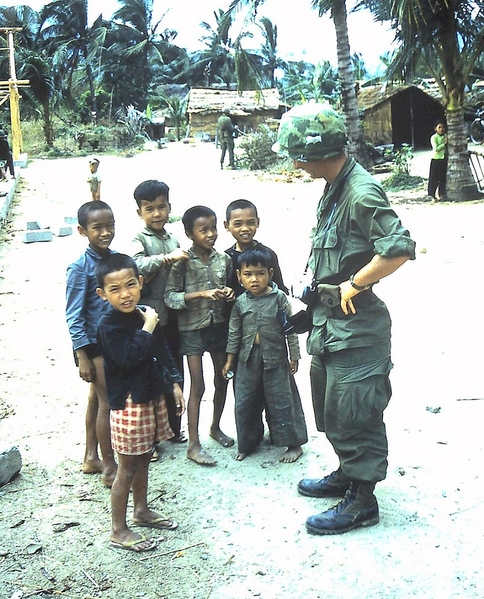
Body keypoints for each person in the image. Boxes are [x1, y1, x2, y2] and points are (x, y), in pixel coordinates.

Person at [273, 103, 416, 535]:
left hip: (358, 329)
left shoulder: (361, 191)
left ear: (316, 152)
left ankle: (363, 500)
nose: (295, 162)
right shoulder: (334, 186)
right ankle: (347, 472)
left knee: (356, 413)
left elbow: (398, 249)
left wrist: (355, 284)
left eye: (298, 154)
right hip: (330, 324)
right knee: (331, 409)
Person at [95, 253, 186, 553]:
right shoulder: (109, 326)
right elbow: (129, 357)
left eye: (131, 285)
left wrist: (173, 384)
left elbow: (160, 352)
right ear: (102, 294)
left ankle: (141, 510)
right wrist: (147, 326)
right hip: (128, 404)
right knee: (127, 468)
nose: (125, 294)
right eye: (116, 289)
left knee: (144, 458)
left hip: (150, 396)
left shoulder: (144, 313)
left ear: (141, 282)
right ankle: (118, 529)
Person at [164, 205, 235, 466]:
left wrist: (228, 293)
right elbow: (170, 297)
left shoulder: (223, 260)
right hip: (192, 328)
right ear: (189, 233)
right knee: (198, 385)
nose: (210, 234)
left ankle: (215, 427)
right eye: (203, 230)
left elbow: (230, 290)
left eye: (213, 228)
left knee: (223, 378)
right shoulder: (181, 262)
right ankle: (193, 444)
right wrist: (199, 295)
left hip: (217, 325)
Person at [222, 248, 307, 463]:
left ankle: (293, 444)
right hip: (247, 360)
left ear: (270, 273)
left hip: (276, 358)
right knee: (245, 401)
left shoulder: (279, 299)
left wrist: (293, 356)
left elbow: (290, 328)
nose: (254, 279)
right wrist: (230, 360)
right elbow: (234, 333)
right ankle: (248, 442)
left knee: (281, 399)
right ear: (239, 277)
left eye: (260, 273)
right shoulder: (240, 302)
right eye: (248, 274)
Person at [130, 179, 190, 446]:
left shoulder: (174, 239)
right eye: (149, 208)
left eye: (161, 207)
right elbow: (137, 266)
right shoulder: (138, 239)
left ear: (169, 208)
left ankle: (174, 429)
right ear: (139, 213)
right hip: (148, 323)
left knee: (176, 373)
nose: (156, 214)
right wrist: (168, 258)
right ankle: (151, 438)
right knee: (150, 377)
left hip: (172, 319)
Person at [65, 201, 118, 487]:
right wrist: (82, 355)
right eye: (97, 228)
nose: (105, 232)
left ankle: (90, 456)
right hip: (93, 345)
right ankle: (110, 467)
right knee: (107, 401)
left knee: (96, 399)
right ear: (82, 231)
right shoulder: (79, 268)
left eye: (110, 225)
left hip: (113, 341)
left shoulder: (115, 260)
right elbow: (73, 316)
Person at [224, 198, 289, 297]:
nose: (245, 229)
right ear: (226, 225)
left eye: (250, 223)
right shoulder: (225, 257)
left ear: (258, 222)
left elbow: (279, 288)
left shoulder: (267, 254)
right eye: (238, 224)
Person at [427, 121, 448, 202]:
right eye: (439, 127)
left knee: (443, 178)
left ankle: (441, 194)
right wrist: (444, 144)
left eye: (443, 127)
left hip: (444, 159)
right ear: (435, 129)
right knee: (434, 178)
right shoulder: (434, 137)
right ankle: (432, 195)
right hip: (436, 159)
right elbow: (436, 149)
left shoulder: (446, 136)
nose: (441, 129)